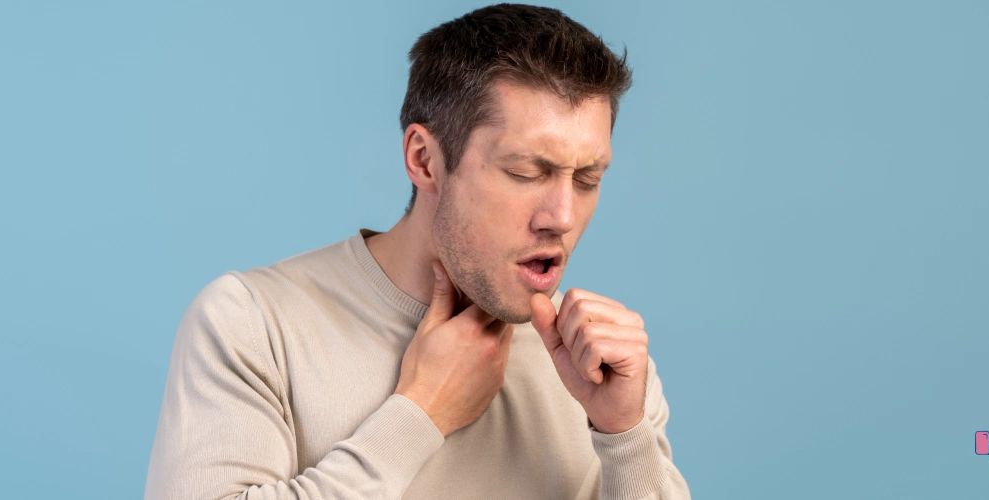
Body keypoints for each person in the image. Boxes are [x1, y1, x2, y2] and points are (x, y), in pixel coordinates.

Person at [144, 4, 690, 499]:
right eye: (527, 171)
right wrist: (419, 415)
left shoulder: (604, 369)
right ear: (425, 159)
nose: (563, 217)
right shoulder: (252, 325)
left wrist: (625, 435)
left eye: (588, 178)